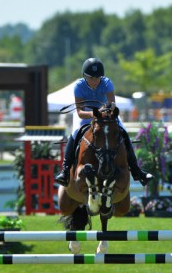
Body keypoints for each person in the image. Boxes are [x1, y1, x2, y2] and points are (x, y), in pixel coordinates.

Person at [53, 58, 152, 187]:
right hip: (86, 115)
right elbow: (80, 112)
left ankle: (137, 170)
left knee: (124, 132)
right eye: (91, 78)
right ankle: (65, 171)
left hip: (104, 115)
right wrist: (94, 114)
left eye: (97, 78)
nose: (95, 81)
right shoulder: (78, 86)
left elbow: (112, 104)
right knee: (75, 133)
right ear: (85, 76)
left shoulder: (107, 83)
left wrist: (106, 110)